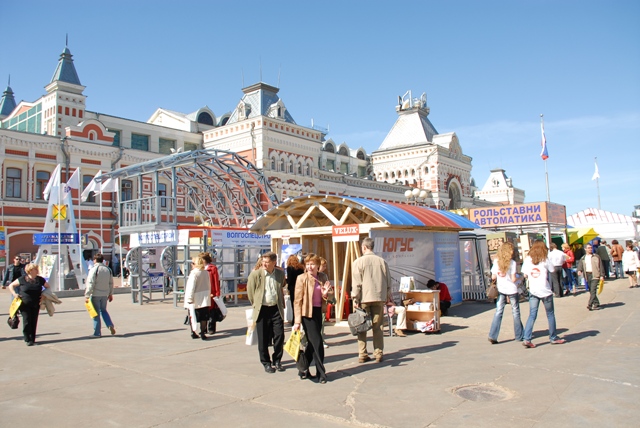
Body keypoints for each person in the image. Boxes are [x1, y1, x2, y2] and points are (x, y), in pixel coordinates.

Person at [351, 237, 392, 363]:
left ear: (364, 247)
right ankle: (378, 352)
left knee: (361, 325)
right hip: (378, 297)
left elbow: (357, 282)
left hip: (363, 298)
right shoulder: (382, 261)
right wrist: (387, 295)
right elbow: (388, 280)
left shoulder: (358, 262)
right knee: (378, 326)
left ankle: (362, 353)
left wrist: (355, 297)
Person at [293, 254, 332, 384]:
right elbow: (297, 301)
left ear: (317, 266)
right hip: (306, 313)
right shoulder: (301, 278)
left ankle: (303, 368)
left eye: (312, 264)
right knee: (317, 342)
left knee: (311, 343)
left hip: (318, 312)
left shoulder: (323, 277)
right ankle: (321, 373)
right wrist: (297, 321)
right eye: (308, 264)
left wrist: (326, 294)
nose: (310, 267)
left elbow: (329, 296)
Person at [521, 241, 567, 348]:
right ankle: (553, 337)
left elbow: (525, 274)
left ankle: (527, 338)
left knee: (532, 315)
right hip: (545, 290)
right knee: (550, 314)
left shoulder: (528, 260)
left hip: (533, 290)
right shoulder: (545, 260)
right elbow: (552, 270)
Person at [247, 251, 286, 374]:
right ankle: (266, 362)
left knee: (279, 336)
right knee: (263, 338)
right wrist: (256, 304)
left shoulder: (280, 274)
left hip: (276, 308)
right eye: (263, 261)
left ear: (274, 263)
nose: (264, 264)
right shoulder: (255, 275)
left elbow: (282, 286)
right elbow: (250, 292)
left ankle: (277, 360)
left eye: (267, 262)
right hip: (262, 309)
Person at [487, 242, 523, 344]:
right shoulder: (512, 263)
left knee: (498, 311)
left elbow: (493, 277)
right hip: (512, 289)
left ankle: (493, 335)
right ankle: (519, 335)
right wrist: (520, 278)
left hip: (501, 289)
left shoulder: (496, 261)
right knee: (515, 312)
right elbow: (513, 278)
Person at [8, 263, 50, 346]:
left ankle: (32, 338)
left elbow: (48, 287)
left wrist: (44, 295)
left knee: (34, 320)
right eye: (35, 269)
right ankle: (27, 339)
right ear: (30, 271)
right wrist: (14, 294)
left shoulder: (40, 279)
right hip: (24, 304)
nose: (37, 270)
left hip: (36, 303)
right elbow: (11, 285)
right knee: (27, 320)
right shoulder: (22, 279)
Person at [85, 253, 116, 337]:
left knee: (95, 313)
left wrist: (87, 295)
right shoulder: (108, 269)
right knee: (104, 310)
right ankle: (109, 325)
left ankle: (97, 333)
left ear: (95, 260)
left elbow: (90, 283)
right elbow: (111, 283)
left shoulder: (94, 269)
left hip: (95, 294)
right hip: (104, 294)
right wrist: (110, 294)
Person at [184, 255, 211, 340]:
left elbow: (191, 287)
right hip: (204, 297)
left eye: (192, 263)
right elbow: (208, 285)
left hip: (195, 298)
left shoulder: (194, 273)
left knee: (192, 315)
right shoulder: (205, 272)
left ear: (196, 264)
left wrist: (189, 298)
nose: (191, 265)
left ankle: (193, 332)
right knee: (204, 317)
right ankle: (203, 332)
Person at [576, 243, 605, 311]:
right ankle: (596, 303)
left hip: (595, 275)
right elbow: (580, 266)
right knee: (591, 290)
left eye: (591, 248)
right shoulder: (583, 258)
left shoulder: (596, 257)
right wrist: (579, 270)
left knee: (593, 290)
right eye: (588, 248)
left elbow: (601, 266)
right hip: (587, 275)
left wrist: (602, 275)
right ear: (585, 249)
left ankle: (590, 304)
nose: (590, 249)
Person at [201, 252, 221, 334]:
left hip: (211, 292)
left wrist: (217, 292)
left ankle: (211, 327)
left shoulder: (212, 268)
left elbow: (216, 281)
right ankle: (203, 328)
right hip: (203, 292)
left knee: (212, 310)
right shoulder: (200, 268)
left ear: (204, 260)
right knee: (204, 310)